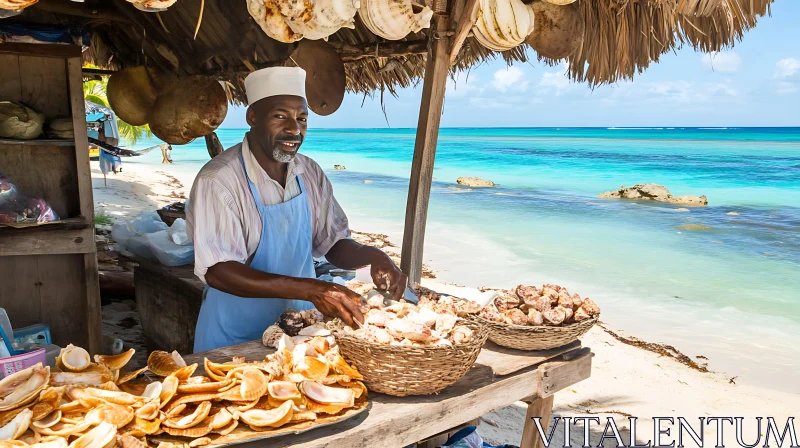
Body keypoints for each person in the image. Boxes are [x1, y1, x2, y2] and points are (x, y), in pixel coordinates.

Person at [186, 66, 406, 353]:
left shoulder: (309, 172)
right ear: (253, 117)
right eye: (280, 116)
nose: (294, 129)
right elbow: (218, 271)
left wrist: (375, 257)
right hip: (235, 337)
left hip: (300, 331)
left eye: (302, 119)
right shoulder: (219, 180)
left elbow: (334, 243)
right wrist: (313, 289)